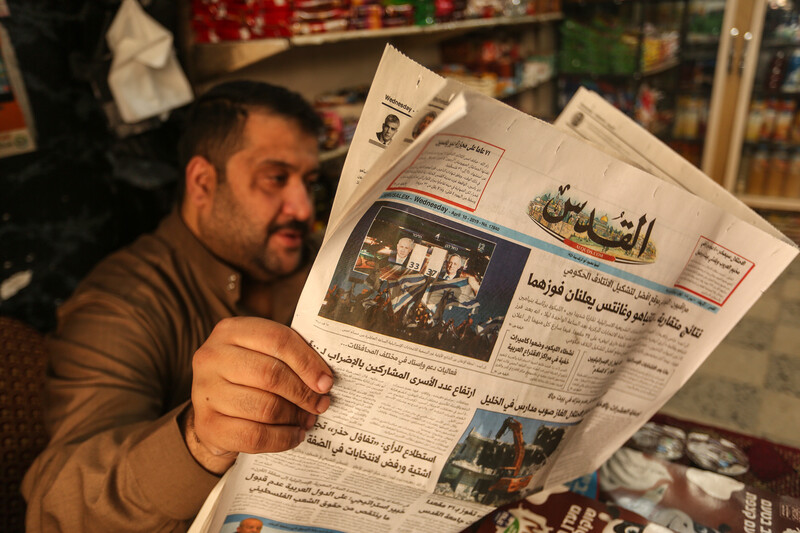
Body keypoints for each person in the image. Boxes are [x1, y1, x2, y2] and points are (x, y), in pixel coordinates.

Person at [21, 81, 335, 532]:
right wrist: (198, 441)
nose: (303, 209)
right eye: (275, 178)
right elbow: (61, 508)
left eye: (308, 182)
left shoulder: (320, 266)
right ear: (203, 182)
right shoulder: (123, 303)